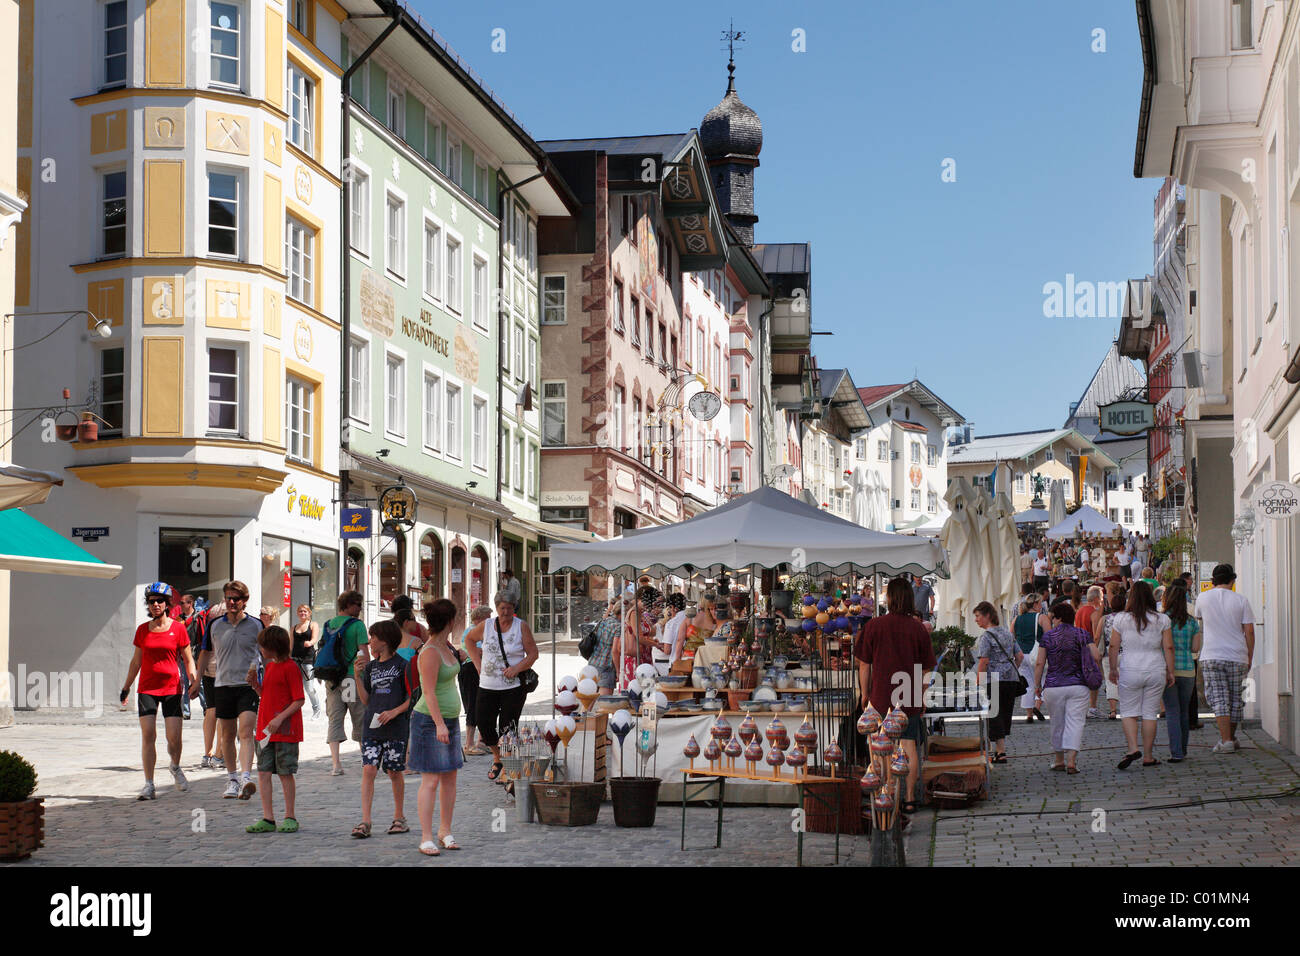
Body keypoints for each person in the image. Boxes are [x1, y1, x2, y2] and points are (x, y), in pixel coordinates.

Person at [855, 576, 936, 818]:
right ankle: (910, 798)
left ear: (889, 598)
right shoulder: (917, 628)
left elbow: (864, 665)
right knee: (909, 745)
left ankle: (885, 794)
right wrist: (921, 695)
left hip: (880, 694)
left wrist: (864, 692)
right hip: (908, 692)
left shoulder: (874, 626)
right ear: (910, 599)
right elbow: (927, 669)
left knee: (880, 746)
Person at [120, 582, 196, 799]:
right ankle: (149, 784)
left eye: (159, 601)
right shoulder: (143, 630)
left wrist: (193, 680)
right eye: (152, 601)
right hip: (147, 688)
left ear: (167, 604)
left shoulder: (178, 628)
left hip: (172, 687)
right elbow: (136, 662)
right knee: (148, 735)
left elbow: (188, 659)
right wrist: (126, 687)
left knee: (174, 738)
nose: (155, 605)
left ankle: (175, 766)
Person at [192, 580, 262, 800]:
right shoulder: (214, 625)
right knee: (228, 735)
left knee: (246, 731)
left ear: (245, 601)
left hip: (248, 686)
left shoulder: (257, 625)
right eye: (228, 598)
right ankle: (232, 779)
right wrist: (196, 681)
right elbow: (205, 653)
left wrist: (268, 683)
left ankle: (247, 777)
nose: (232, 602)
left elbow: (267, 655)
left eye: (236, 599)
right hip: (222, 685)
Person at [464, 594, 539, 781]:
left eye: (509, 608)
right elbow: (469, 641)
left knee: (508, 727)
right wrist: (477, 664)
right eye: (502, 608)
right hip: (488, 684)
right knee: (484, 723)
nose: (506, 612)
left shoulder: (520, 626)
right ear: (496, 608)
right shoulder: (487, 625)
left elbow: (533, 654)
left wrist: (516, 668)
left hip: (513, 687)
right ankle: (498, 757)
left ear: (514, 608)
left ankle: (508, 767)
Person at [411, 597, 464, 855]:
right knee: (431, 780)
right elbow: (428, 692)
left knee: (450, 777)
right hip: (431, 722)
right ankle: (426, 836)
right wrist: (440, 725)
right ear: (451, 621)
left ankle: (445, 830)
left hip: (449, 721)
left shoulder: (447, 646)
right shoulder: (431, 651)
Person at [352, 620, 411, 838]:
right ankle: (365, 820)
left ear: (384, 640)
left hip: (395, 728)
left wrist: (395, 712)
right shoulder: (371, 667)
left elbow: (412, 697)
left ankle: (399, 817)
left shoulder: (403, 666)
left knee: (394, 771)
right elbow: (367, 700)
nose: (370, 641)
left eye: (373, 637)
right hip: (372, 726)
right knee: (368, 769)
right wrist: (357, 678)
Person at [245, 625, 304, 833]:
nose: (260, 649)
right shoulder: (269, 667)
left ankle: (290, 816)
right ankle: (268, 818)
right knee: (263, 772)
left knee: (285, 773)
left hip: (285, 730)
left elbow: (299, 700)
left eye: (263, 645)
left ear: (273, 646)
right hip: (265, 730)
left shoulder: (291, 667)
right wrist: (256, 687)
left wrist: (280, 718)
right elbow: (267, 696)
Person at [1109, 581, 1175, 769]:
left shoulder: (1121, 619)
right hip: (1155, 668)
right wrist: (1171, 671)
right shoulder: (1162, 619)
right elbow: (1168, 647)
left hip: (1130, 668)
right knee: (1149, 713)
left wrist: (1113, 669)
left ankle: (1132, 748)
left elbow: (1113, 645)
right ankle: (1148, 756)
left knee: (1129, 712)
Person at [1195, 564, 1255, 753]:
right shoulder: (1241, 600)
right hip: (1237, 654)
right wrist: (1249, 655)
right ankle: (1231, 737)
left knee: (1219, 697)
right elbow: (1249, 631)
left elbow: (1200, 620)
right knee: (1237, 698)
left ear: (1213, 580)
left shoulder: (1202, 598)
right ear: (1232, 579)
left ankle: (1226, 740)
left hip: (1211, 654)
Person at [1033, 602, 1095, 773]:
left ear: (1059, 618)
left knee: (1057, 722)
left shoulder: (1048, 637)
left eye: (1053, 618)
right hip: (1078, 685)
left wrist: (1037, 685)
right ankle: (1072, 761)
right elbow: (1096, 655)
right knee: (1076, 722)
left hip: (1054, 686)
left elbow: (1039, 663)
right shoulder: (1082, 634)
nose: (1052, 621)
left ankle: (1059, 760)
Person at [323, 590, 370, 775]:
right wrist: (367, 673)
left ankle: (336, 765)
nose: (359, 608)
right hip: (352, 677)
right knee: (359, 715)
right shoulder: (357, 625)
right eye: (357, 604)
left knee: (335, 718)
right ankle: (367, 758)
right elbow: (364, 654)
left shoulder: (328, 624)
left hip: (332, 678)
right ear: (349, 605)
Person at [974, 602, 1023, 764]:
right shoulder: (1007, 633)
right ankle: (999, 750)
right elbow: (1020, 656)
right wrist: (1009, 668)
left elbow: (984, 662)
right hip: (1010, 679)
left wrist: (979, 683)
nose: (976, 620)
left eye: (978, 616)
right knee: (1004, 713)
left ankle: (1000, 752)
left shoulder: (986, 636)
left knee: (994, 714)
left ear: (988, 615)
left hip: (993, 680)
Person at [1161, 584, 1201, 763]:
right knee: (1184, 712)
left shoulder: (1163, 620)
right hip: (1187, 669)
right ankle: (1182, 750)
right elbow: (1195, 647)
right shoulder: (1192, 622)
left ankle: (1175, 751)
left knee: (1172, 711)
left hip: (1167, 670)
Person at [458, 605, 492, 756]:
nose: (490, 621)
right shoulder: (472, 631)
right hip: (471, 669)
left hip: (479, 669)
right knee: (473, 705)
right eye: (487, 618)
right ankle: (469, 744)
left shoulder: (483, 631)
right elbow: (479, 651)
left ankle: (482, 741)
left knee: (484, 705)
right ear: (478, 619)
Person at [193, 600, 224, 769]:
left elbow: (204, 651)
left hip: (207, 670)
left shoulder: (210, 621)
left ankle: (207, 753)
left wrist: (198, 678)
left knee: (211, 711)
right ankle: (220, 754)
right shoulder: (225, 623)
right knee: (222, 713)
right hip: (223, 670)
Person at [1011, 591, 1045, 721]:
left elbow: (1011, 638)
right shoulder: (1041, 618)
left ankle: (1029, 714)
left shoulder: (1016, 619)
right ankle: (1037, 705)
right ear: (1035, 604)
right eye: (1040, 603)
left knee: (1028, 684)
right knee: (1042, 681)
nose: (1041, 605)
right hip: (1037, 653)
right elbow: (1049, 636)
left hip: (1021, 654)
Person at [1093, 591, 1125, 719]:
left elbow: (1097, 636)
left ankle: (1112, 710)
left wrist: (1095, 650)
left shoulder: (1105, 618)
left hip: (1108, 653)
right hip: (1127, 653)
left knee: (1110, 681)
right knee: (1127, 680)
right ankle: (1129, 708)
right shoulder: (1129, 618)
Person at [1076, 586, 1104, 718]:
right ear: (1097, 598)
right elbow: (1096, 634)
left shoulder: (1079, 610)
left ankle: (1082, 707)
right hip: (1090, 648)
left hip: (1079, 648)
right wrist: (1096, 650)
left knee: (1082, 679)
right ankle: (1092, 707)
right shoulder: (1094, 612)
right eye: (1102, 597)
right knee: (1094, 678)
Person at [290, 603, 321, 720]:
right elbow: (290, 645)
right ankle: (294, 710)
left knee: (309, 687)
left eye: (305, 611)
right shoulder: (293, 628)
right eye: (300, 611)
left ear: (309, 613)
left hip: (308, 660)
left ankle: (316, 710)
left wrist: (310, 643)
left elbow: (314, 639)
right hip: (294, 660)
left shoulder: (313, 625)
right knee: (295, 687)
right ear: (297, 613)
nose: (303, 613)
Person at [589, 598, 625, 695]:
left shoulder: (604, 620)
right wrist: (618, 671)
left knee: (588, 700)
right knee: (605, 704)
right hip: (606, 666)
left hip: (593, 662)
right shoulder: (619, 627)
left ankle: (583, 711)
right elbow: (615, 651)